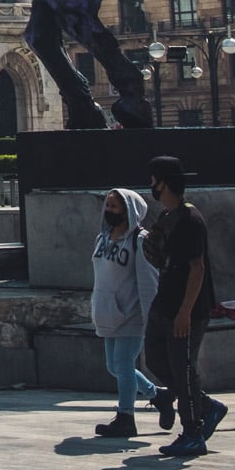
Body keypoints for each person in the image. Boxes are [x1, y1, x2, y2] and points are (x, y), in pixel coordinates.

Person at [140, 155, 228, 458]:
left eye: (154, 179)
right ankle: (206, 405)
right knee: (155, 359)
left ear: (164, 183)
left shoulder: (190, 220)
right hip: (164, 300)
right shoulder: (168, 216)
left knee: (183, 368)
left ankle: (192, 432)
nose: (151, 185)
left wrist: (185, 313)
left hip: (185, 307)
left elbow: (197, 268)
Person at [89, 186, 163, 439]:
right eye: (107, 206)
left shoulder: (140, 241)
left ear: (128, 210)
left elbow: (148, 281)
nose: (109, 210)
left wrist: (151, 317)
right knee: (114, 367)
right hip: (108, 313)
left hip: (131, 314)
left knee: (123, 364)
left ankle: (126, 417)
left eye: (115, 206)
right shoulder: (103, 238)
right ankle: (158, 395)